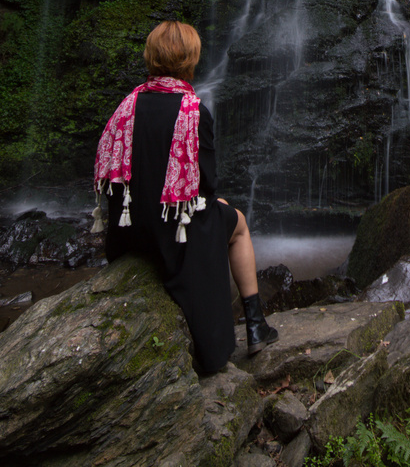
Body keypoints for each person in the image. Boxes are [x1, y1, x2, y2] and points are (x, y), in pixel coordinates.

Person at [92, 19, 277, 373]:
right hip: (174, 235)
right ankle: (256, 326)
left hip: (129, 232)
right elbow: (205, 185)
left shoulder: (126, 107)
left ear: (150, 57)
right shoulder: (193, 112)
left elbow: (115, 179)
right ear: (191, 59)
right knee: (236, 224)